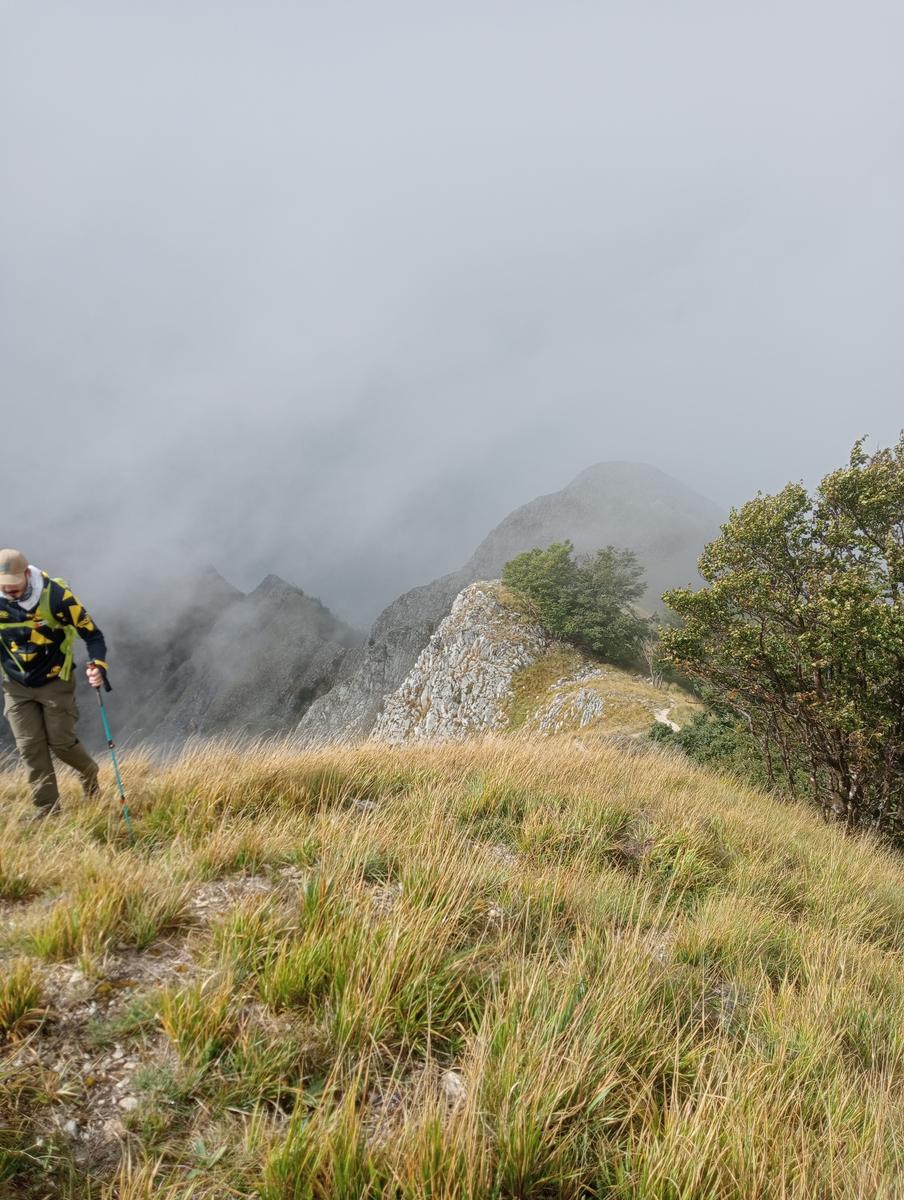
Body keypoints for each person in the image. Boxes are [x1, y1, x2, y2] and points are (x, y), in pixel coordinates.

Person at [0, 549, 110, 820]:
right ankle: (47, 810)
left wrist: (98, 667)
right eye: (4, 587)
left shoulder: (58, 597)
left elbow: (93, 635)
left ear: (27, 574)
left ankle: (89, 774)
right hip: (15, 684)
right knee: (30, 747)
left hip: (54, 682)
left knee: (61, 744)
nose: (10, 592)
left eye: (14, 586)